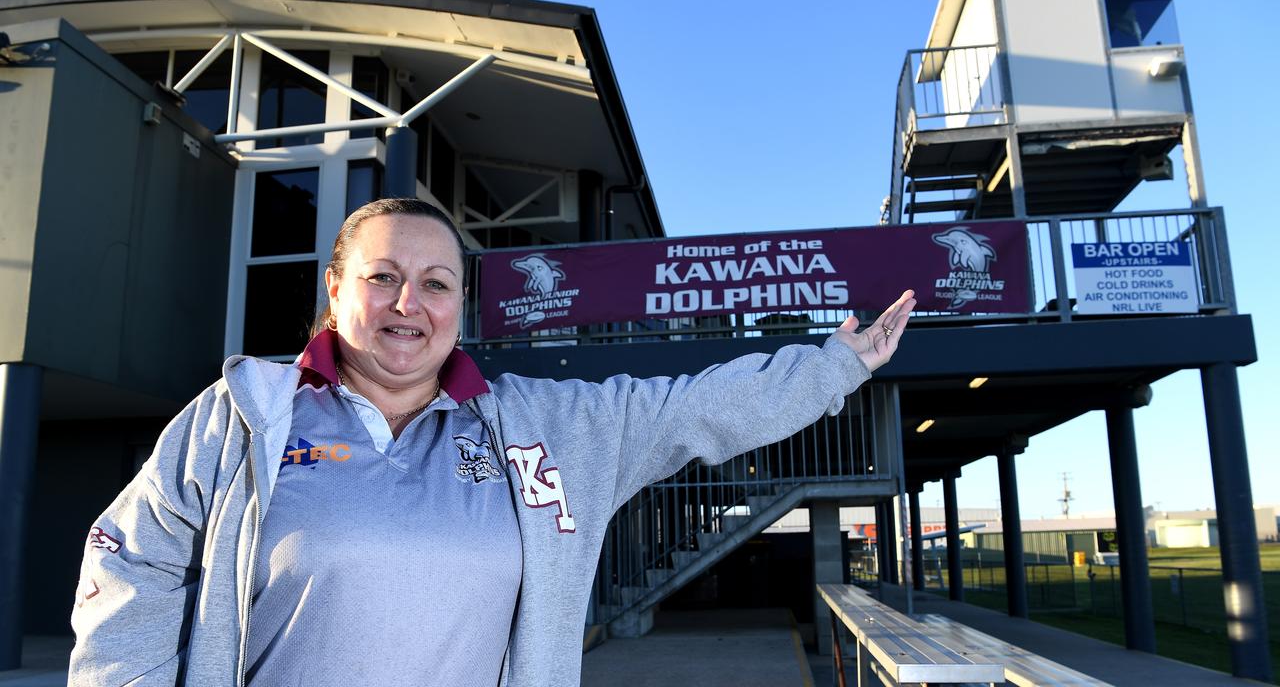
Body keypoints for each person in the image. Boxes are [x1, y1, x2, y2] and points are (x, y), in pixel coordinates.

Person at [68, 198, 916, 686]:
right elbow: (128, 567)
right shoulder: (242, 416)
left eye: (436, 284)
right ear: (335, 292)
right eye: (382, 277)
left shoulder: (545, 431)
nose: (409, 303)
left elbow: (688, 408)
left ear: (461, 308)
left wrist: (835, 365)